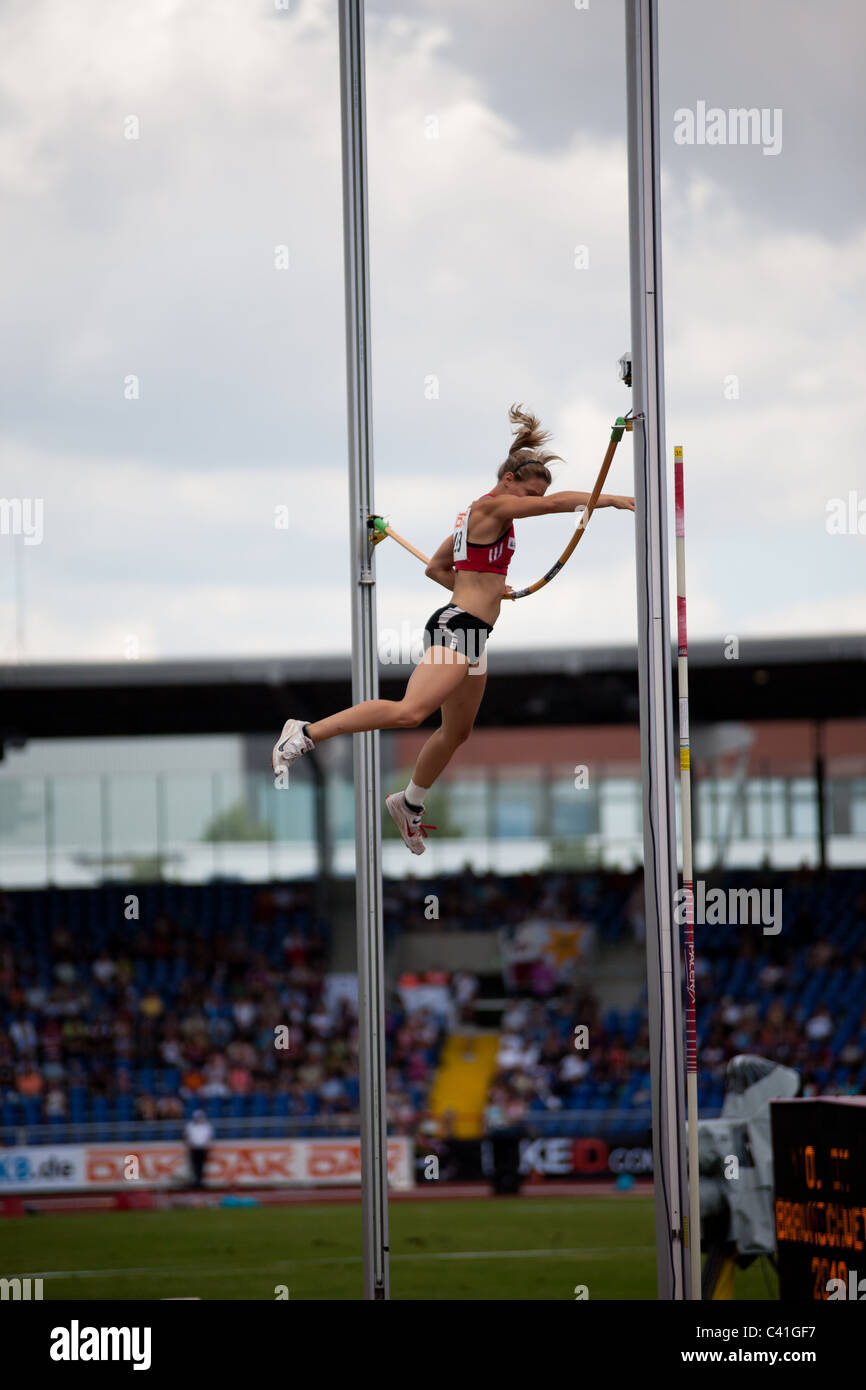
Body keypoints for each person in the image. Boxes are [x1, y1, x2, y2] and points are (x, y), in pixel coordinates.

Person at [273, 404, 634, 853]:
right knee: (409, 712)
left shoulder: (475, 520)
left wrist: (486, 586)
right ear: (508, 482)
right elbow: (561, 505)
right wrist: (615, 500)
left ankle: (409, 803)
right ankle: (305, 733)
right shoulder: (492, 507)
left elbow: (437, 569)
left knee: (457, 732)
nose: (535, 503)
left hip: (475, 634)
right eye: (530, 494)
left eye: (537, 496)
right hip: (457, 627)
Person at [184, 1107, 214, 1190]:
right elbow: (187, 1137)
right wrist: (188, 1146)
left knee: (201, 1166)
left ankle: (200, 1182)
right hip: (194, 1148)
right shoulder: (190, 1126)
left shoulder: (206, 1126)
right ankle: (194, 1181)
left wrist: (208, 1147)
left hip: (202, 1148)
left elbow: (208, 1138)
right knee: (194, 1166)